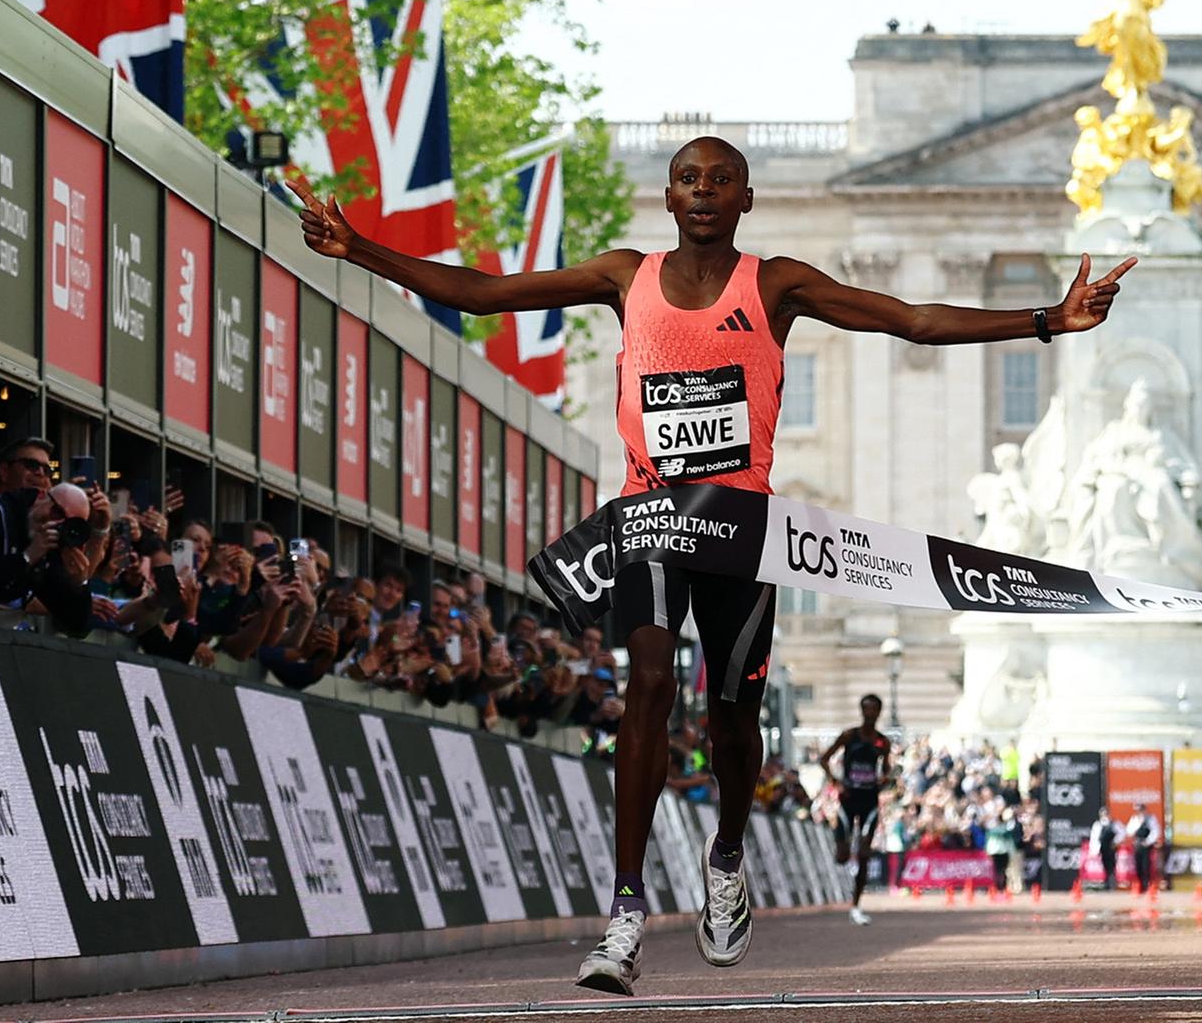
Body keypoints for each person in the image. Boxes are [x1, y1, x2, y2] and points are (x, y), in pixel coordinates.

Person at [287, 137, 1133, 996]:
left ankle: (727, 853)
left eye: (719, 181)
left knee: (734, 720)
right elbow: (488, 294)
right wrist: (360, 249)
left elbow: (908, 319)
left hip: (740, 529)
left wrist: (1046, 321)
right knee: (649, 679)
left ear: (746, 200)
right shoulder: (626, 276)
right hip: (652, 515)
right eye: (689, 179)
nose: (702, 192)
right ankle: (624, 912)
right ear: (668, 195)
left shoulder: (776, 285)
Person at [820, 694, 893, 926]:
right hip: (848, 799)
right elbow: (824, 759)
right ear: (861, 711)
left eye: (874, 710)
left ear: (879, 712)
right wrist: (836, 781)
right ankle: (841, 847)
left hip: (870, 800)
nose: (870, 713)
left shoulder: (883, 742)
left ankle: (856, 905)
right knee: (842, 856)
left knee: (863, 853)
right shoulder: (850, 736)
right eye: (866, 709)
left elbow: (887, 770)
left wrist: (885, 779)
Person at [1125, 802, 1159, 894]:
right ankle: (1139, 885)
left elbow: (1155, 831)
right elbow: (1129, 831)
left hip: (1146, 845)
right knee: (1138, 865)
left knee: (1146, 866)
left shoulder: (1151, 819)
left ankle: (1147, 885)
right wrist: (1137, 825)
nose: (1139, 812)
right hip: (1137, 845)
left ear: (1144, 810)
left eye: (1140, 810)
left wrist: (1147, 842)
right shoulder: (1134, 819)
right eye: (1137, 810)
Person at [1089, 806, 1121, 892]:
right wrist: (1094, 850)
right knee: (1105, 866)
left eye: (1106, 813)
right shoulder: (1097, 825)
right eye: (1103, 814)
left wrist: (1115, 842)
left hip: (1111, 848)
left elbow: (1121, 833)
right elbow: (1094, 838)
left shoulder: (1114, 824)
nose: (1105, 815)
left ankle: (1112, 884)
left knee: (1112, 866)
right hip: (1102, 848)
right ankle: (1106, 883)